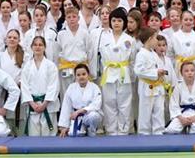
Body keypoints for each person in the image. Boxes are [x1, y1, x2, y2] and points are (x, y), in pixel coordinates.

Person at [97, 8, 136, 136]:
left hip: (123, 72)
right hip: (108, 72)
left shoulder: (129, 40)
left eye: (119, 20)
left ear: (124, 23)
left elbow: (132, 60)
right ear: (110, 21)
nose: (116, 23)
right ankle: (111, 131)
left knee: (124, 104)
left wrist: (132, 76)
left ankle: (123, 130)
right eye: (113, 20)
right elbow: (101, 58)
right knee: (109, 102)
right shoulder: (104, 38)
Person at [20, 35, 59, 136]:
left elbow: (53, 86)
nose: (38, 47)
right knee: (33, 136)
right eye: (35, 45)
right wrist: (32, 103)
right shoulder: (27, 67)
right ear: (31, 47)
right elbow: (24, 87)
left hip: (48, 106)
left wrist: (44, 104)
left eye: (40, 45)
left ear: (45, 47)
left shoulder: (51, 66)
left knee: (49, 136)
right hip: (33, 106)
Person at [134, 31, 172, 135]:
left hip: (158, 86)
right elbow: (138, 70)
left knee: (159, 111)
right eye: (155, 38)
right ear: (149, 39)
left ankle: (158, 132)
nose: (156, 41)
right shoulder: (141, 54)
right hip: (147, 86)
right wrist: (155, 72)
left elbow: (160, 66)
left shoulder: (153, 53)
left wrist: (162, 72)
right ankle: (144, 133)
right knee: (145, 112)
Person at [59, 63, 102, 137]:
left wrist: (80, 111)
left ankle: (91, 130)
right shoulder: (71, 87)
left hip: (89, 114)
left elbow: (96, 104)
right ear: (75, 76)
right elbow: (66, 107)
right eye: (78, 75)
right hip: (77, 117)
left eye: (83, 74)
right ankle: (82, 129)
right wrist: (64, 126)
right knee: (73, 134)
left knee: (94, 116)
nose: (81, 77)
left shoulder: (95, 87)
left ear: (88, 75)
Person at [166, 60, 195, 135]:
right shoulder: (178, 87)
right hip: (182, 113)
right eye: (186, 71)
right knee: (171, 130)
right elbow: (174, 104)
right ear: (181, 73)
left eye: (192, 70)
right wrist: (181, 118)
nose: (190, 73)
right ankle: (184, 129)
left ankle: (189, 129)